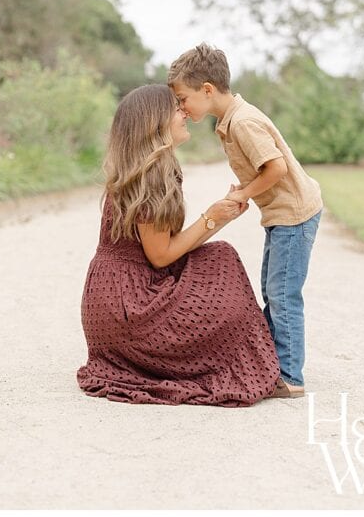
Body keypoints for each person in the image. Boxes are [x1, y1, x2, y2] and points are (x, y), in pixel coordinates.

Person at [76, 84, 281, 406]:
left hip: (115, 302)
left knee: (217, 256)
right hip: (127, 306)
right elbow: (161, 256)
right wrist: (212, 217)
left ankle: (239, 357)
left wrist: (220, 216)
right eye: (176, 109)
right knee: (221, 262)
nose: (185, 113)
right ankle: (246, 363)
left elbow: (165, 248)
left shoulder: (147, 169)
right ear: (155, 123)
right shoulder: (150, 175)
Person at [168, 44, 322, 399]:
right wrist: (248, 188)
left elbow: (276, 167)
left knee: (283, 294)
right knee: (273, 289)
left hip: (294, 214)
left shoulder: (243, 122)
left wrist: (245, 193)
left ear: (207, 90)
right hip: (282, 214)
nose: (182, 108)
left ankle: (289, 375)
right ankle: (271, 362)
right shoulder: (230, 120)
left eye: (183, 98)